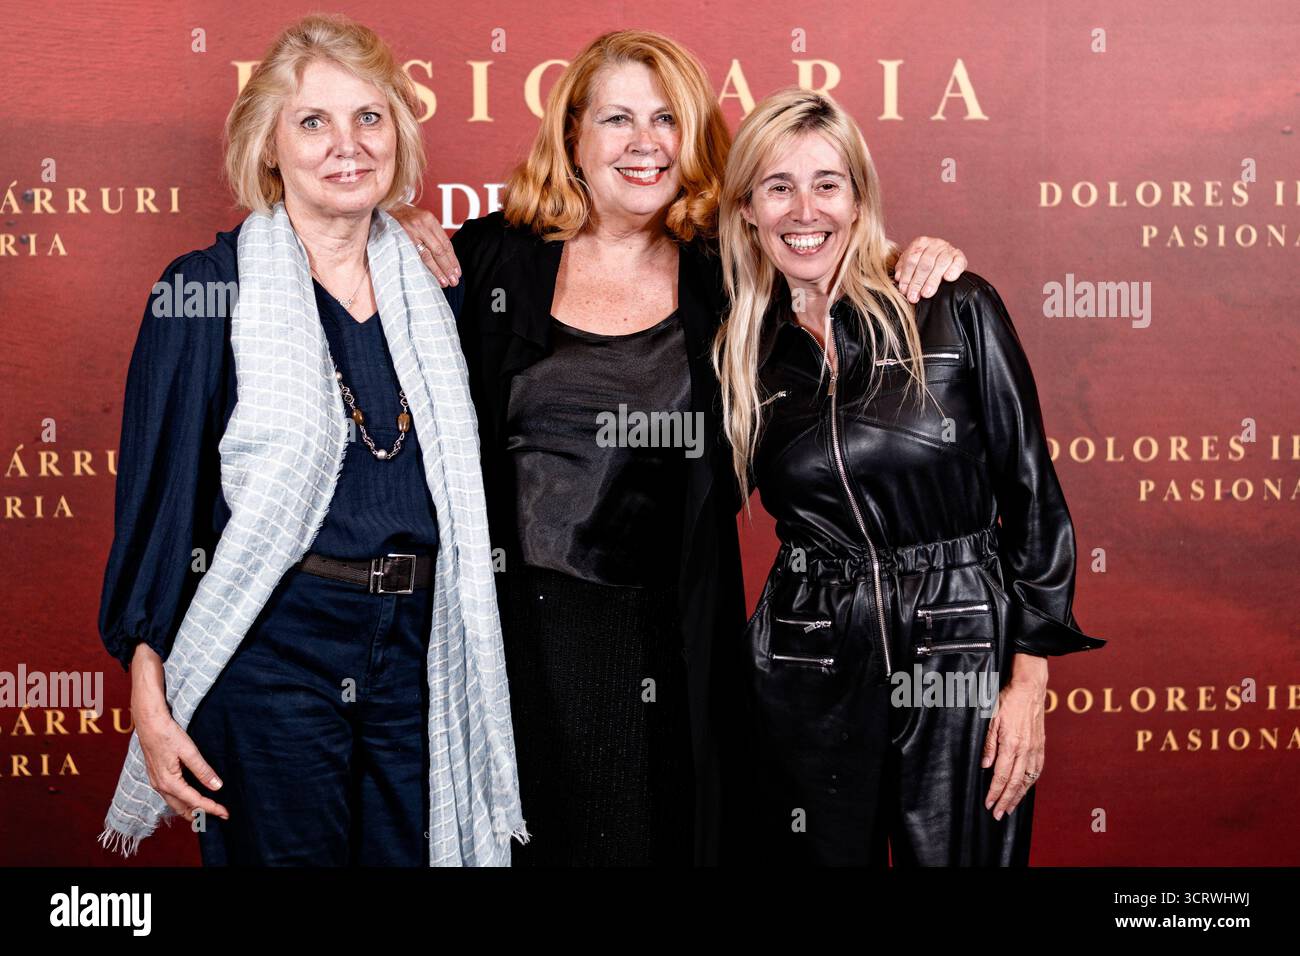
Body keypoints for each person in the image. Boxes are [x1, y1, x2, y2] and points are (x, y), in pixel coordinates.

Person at [389, 31, 967, 865]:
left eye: (666, 118)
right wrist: (389, 227)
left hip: (673, 639)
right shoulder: (487, 259)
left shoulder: (729, 272)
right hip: (519, 641)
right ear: (573, 140)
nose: (644, 141)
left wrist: (919, 257)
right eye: (617, 118)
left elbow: (834, 266)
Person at [96, 13, 524, 866]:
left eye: (370, 118)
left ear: (398, 136)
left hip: (417, 648)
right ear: (268, 147)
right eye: (313, 122)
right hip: (273, 649)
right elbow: (161, 504)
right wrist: (148, 691)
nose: (347, 145)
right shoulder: (207, 291)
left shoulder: (439, 287)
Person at [712, 88, 1106, 865]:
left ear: (859, 199)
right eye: (777, 186)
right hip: (808, 659)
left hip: (960, 650)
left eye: (827, 183)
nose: (805, 210)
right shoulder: (738, 348)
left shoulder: (951, 306)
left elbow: (1033, 502)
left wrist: (1028, 687)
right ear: (748, 209)